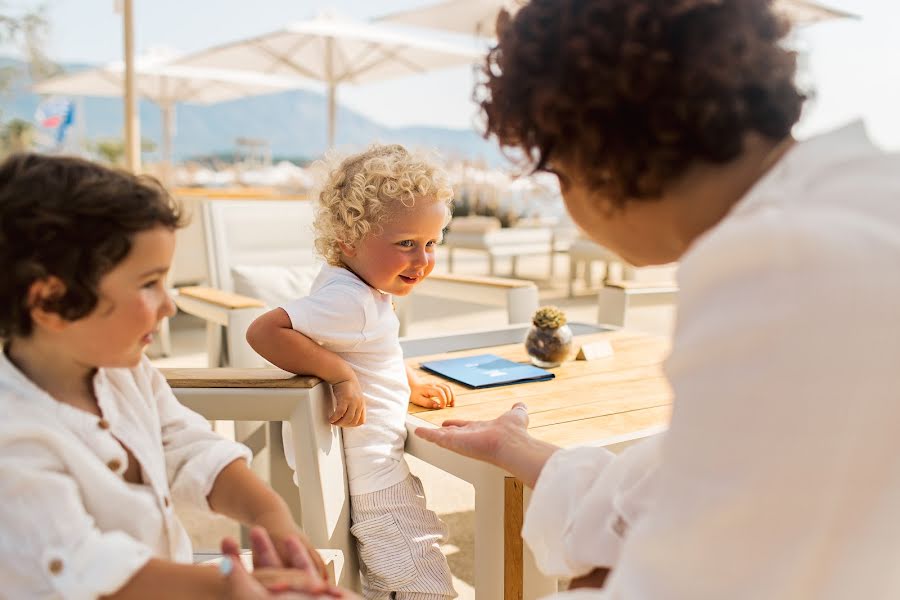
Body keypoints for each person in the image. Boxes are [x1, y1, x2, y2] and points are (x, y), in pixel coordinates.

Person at [415, 0, 900, 598]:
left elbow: (682, 575)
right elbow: (697, 475)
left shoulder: (774, 267)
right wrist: (519, 449)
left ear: (594, 147)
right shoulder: (863, 198)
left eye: (556, 173)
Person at [0, 153, 325, 599]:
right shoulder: (12, 436)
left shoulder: (126, 372)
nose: (170, 306)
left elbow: (186, 445)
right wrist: (227, 588)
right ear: (51, 302)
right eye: (150, 283)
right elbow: (78, 567)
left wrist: (271, 513)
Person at [246, 144, 458, 600]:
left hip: (366, 476)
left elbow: (363, 343)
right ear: (350, 240)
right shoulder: (352, 301)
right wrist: (341, 375)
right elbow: (264, 330)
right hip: (375, 483)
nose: (421, 260)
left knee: (393, 583)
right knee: (424, 587)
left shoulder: (347, 286)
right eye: (405, 243)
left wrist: (406, 378)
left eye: (431, 242)